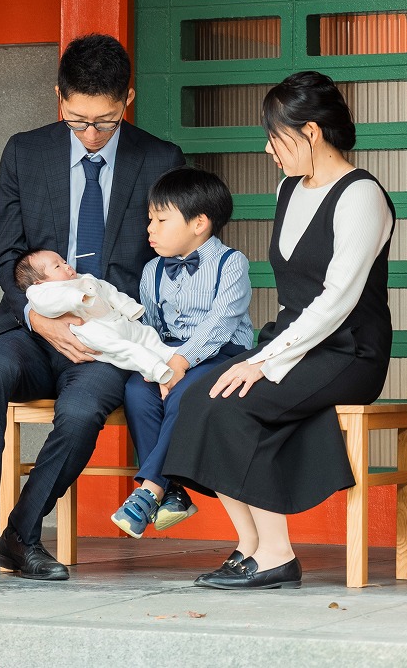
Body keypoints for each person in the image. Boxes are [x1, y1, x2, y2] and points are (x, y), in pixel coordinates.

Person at [0, 33, 184, 587]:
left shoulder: (161, 159)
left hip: (106, 335)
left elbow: (167, 261)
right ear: (60, 98)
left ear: (128, 99)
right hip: (31, 328)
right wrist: (40, 319)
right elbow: (9, 258)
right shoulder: (24, 152)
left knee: (81, 414)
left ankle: (22, 535)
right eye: (78, 120)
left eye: (105, 122)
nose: (92, 136)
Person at [163, 71, 396, 590]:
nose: (269, 149)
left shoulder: (362, 195)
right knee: (198, 396)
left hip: (349, 350)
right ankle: (250, 546)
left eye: (276, 137)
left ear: (310, 132)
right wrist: (266, 356)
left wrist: (263, 362)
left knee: (236, 402)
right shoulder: (288, 188)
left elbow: (336, 301)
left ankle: (276, 554)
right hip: (292, 339)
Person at [109, 166, 254, 539]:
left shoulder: (231, 263)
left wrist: (179, 363)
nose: (150, 229)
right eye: (150, 220)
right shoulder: (152, 269)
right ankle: (172, 492)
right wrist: (156, 362)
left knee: (184, 396)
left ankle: (151, 490)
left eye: (161, 219)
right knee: (137, 392)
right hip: (168, 355)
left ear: (199, 223)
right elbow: (151, 327)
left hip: (222, 354)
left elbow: (221, 323)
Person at [15, 248, 178, 385]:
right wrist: (77, 298)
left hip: (114, 318)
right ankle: (155, 368)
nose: (66, 266)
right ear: (38, 281)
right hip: (91, 329)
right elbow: (50, 302)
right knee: (123, 349)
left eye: (64, 261)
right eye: (57, 266)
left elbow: (108, 290)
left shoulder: (84, 278)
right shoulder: (40, 292)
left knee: (144, 334)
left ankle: (169, 354)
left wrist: (127, 307)